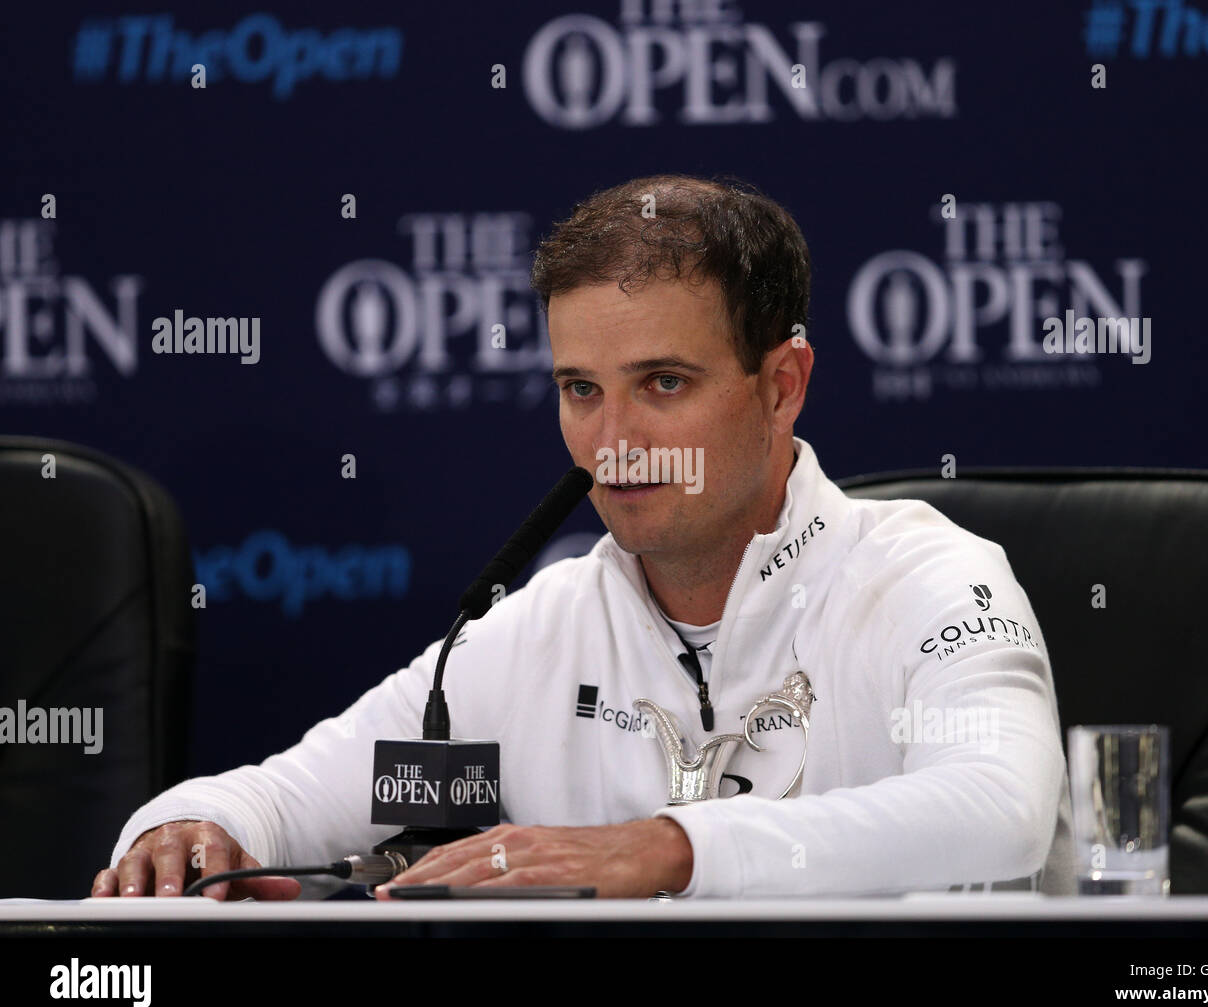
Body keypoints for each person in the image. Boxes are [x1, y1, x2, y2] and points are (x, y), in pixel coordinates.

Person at [93, 173, 1074, 901]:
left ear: (781, 386)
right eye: (579, 391)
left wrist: (665, 846)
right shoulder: (536, 638)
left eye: (663, 383)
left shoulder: (925, 578)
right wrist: (198, 828)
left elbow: (1002, 810)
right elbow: (307, 793)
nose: (613, 443)